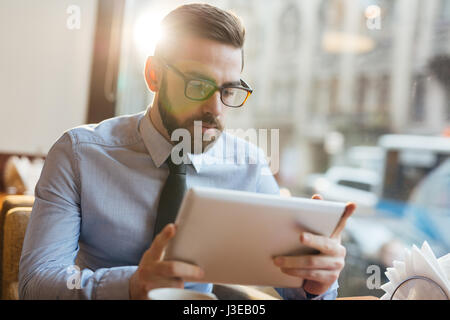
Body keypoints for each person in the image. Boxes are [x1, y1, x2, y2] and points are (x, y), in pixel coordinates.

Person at [18, 3, 355, 300]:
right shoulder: (78, 155)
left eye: (228, 90)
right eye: (198, 86)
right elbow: (37, 284)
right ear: (153, 75)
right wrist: (133, 286)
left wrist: (315, 282)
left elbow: (292, 287)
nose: (216, 109)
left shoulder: (248, 167)